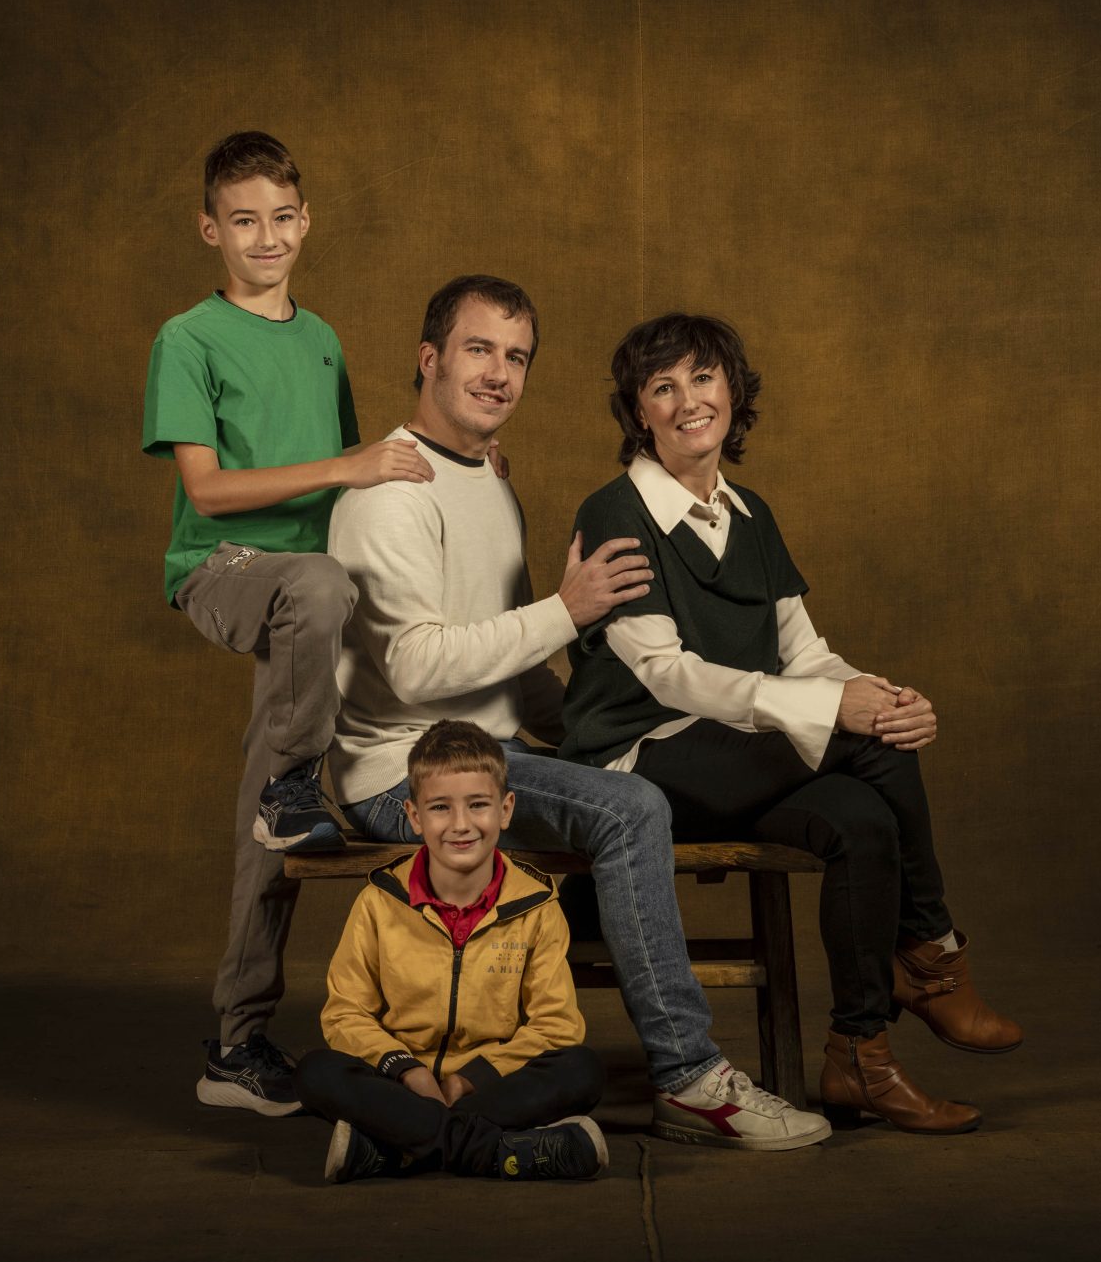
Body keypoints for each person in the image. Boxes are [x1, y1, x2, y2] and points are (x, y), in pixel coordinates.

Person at [326, 276, 831, 1151]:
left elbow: (515, 669)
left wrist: (593, 734)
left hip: (496, 751)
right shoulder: (390, 493)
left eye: (517, 356)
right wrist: (567, 609)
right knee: (631, 807)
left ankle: (581, 975)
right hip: (403, 772)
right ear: (429, 358)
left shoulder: (488, 479)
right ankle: (689, 1076)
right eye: (479, 349)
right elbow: (412, 667)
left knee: (629, 773)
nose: (500, 373)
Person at [560, 313, 1024, 1135]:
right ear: (638, 412)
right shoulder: (615, 512)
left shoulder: (752, 515)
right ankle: (932, 953)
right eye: (663, 387)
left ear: (733, 390)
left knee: (863, 816)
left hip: (740, 756)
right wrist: (838, 711)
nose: (688, 400)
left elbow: (804, 652)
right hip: (640, 762)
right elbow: (667, 673)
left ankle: (859, 1058)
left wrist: (881, 694)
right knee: (865, 742)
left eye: (703, 377)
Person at [141, 131, 439, 1115]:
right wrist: (349, 468)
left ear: (305, 222)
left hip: (319, 594)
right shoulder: (188, 338)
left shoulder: (322, 339)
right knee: (313, 590)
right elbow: (208, 491)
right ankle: (294, 784)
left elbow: (351, 474)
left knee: (269, 810)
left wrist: (451, 463)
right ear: (209, 230)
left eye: (280, 217)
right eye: (242, 220)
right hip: (226, 569)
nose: (264, 237)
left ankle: (238, 1042)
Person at [294, 721, 608, 1182]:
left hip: (491, 1086)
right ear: (415, 816)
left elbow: (556, 1025)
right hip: (400, 1084)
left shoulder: (537, 905)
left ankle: (397, 1147)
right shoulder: (380, 901)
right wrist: (409, 1072)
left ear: (505, 809)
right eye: (440, 807)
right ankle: (492, 1151)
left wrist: (469, 1078)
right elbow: (346, 1014)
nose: (461, 824)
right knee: (315, 1072)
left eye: (478, 805)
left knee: (582, 1070)